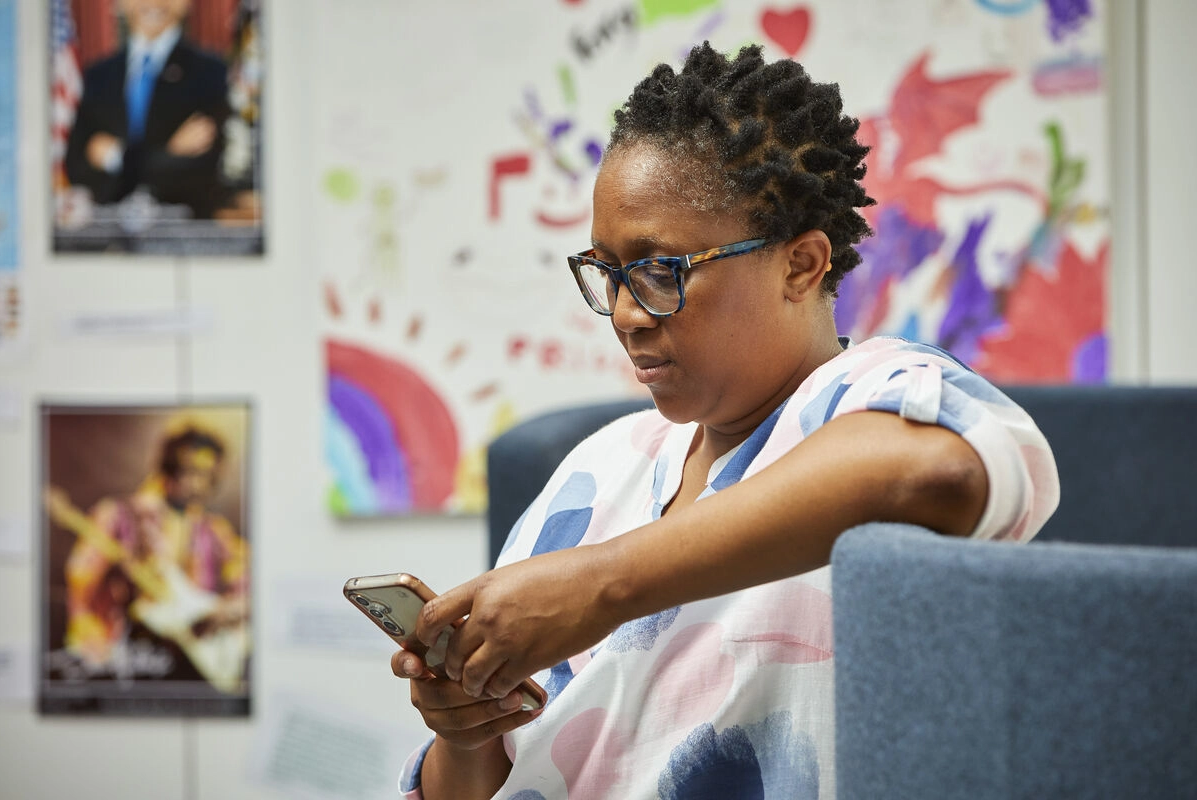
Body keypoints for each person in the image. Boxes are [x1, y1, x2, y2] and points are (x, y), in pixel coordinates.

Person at [391, 43, 1060, 799]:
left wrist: (603, 585)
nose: (625, 313)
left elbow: (941, 471)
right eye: (608, 272)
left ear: (801, 265)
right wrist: (466, 733)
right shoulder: (599, 467)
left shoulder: (873, 394)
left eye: (660, 270)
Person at [53, 424, 249, 693]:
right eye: (189, 471)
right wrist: (94, 635)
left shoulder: (215, 532)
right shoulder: (119, 515)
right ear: (169, 467)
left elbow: (247, 582)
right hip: (130, 659)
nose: (197, 484)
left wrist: (227, 611)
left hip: (192, 661)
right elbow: (82, 582)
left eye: (206, 475)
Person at [63, 0, 230, 219]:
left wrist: (116, 157)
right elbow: (77, 167)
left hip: (184, 228)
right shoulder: (99, 75)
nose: (153, 2)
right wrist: (169, 154)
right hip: (109, 228)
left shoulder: (213, 73)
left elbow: (205, 169)